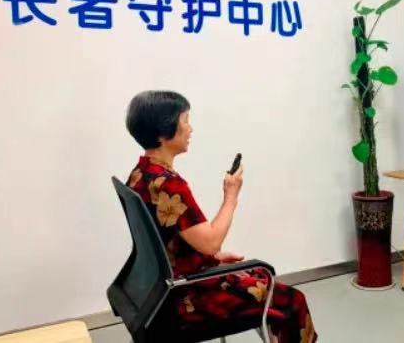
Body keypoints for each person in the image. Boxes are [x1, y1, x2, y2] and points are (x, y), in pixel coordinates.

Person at [125, 91, 317, 342]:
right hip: (188, 298)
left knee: (261, 282)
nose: (190, 129)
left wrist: (209, 259)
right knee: (292, 301)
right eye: (185, 121)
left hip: (164, 289)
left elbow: (166, 242)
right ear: (163, 132)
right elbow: (211, 242)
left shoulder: (140, 174)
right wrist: (231, 196)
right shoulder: (169, 185)